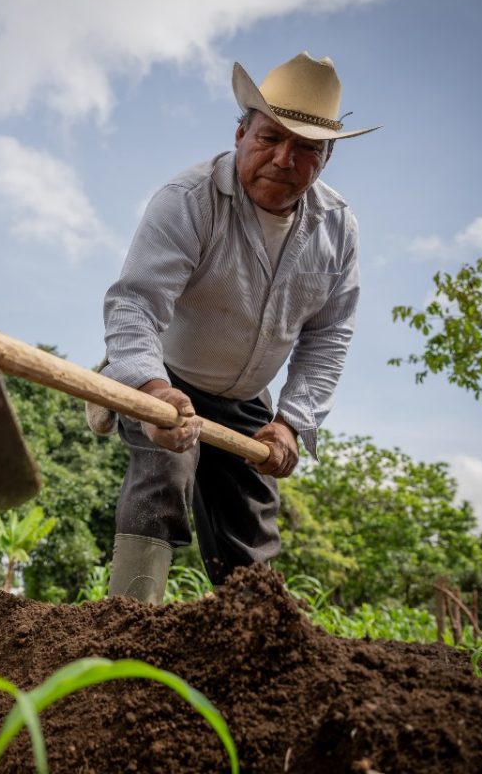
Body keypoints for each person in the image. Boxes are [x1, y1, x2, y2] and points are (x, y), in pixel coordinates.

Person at [93, 52, 379, 604]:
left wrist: (290, 424)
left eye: (306, 148)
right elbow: (135, 304)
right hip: (169, 376)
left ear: (326, 158)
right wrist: (151, 393)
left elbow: (329, 335)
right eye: (269, 138)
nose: (283, 159)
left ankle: (254, 638)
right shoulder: (189, 200)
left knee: (250, 535)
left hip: (248, 397)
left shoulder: (337, 228)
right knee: (165, 476)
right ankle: (127, 624)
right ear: (241, 132)